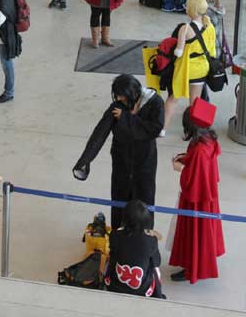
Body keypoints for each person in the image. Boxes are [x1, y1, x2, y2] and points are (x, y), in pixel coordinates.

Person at [72, 75, 164, 230]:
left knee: (144, 203)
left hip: (144, 163)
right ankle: (119, 239)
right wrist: (85, 160)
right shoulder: (119, 105)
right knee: (119, 200)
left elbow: (154, 129)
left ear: (134, 93)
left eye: (123, 96)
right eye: (117, 96)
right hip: (122, 161)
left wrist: (126, 118)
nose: (120, 100)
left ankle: (144, 240)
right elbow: (100, 133)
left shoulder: (155, 103)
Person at [168, 105, 224, 283]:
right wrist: (186, 158)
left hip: (197, 200)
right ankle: (193, 263)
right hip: (207, 198)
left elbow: (193, 180)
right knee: (201, 233)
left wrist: (181, 167)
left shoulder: (200, 150)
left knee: (195, 232)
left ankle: (192, 268)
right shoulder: (209, 140)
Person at [163, 0, 216, 135]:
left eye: (187, 7)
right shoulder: (210, 27)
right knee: (195, 101)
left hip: (186, 69)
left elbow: (179, 52)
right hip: (202, 68)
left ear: (191, 10)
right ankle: (194, 130)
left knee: (173, 99)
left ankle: (162, 128)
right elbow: (212, 51)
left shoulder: (185, 29)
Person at [104, 200, 165, 298]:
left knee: (110, 258)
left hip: (114, 286)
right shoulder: (151, 240)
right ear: (147, 219)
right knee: (155, 268)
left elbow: (113, 255)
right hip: (142, 291)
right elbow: (157, 262)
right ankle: (158, 295)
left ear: (125, 218)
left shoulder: (115, 234)